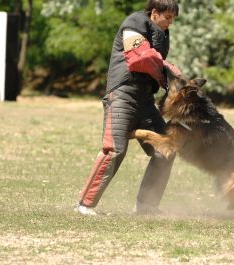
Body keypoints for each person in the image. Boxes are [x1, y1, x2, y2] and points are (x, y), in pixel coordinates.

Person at [75, 0, 181, 216]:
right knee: (114, 150)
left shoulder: (162, 34)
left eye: (173, 19)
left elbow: (155, 61)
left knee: (167, 149)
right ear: (154, 13)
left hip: (145, 101)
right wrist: (169, 70)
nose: (170, 23)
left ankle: (146, 206)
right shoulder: (135, 22)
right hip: (123, 95)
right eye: (167, 17)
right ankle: (84, 205)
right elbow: (140, 58)